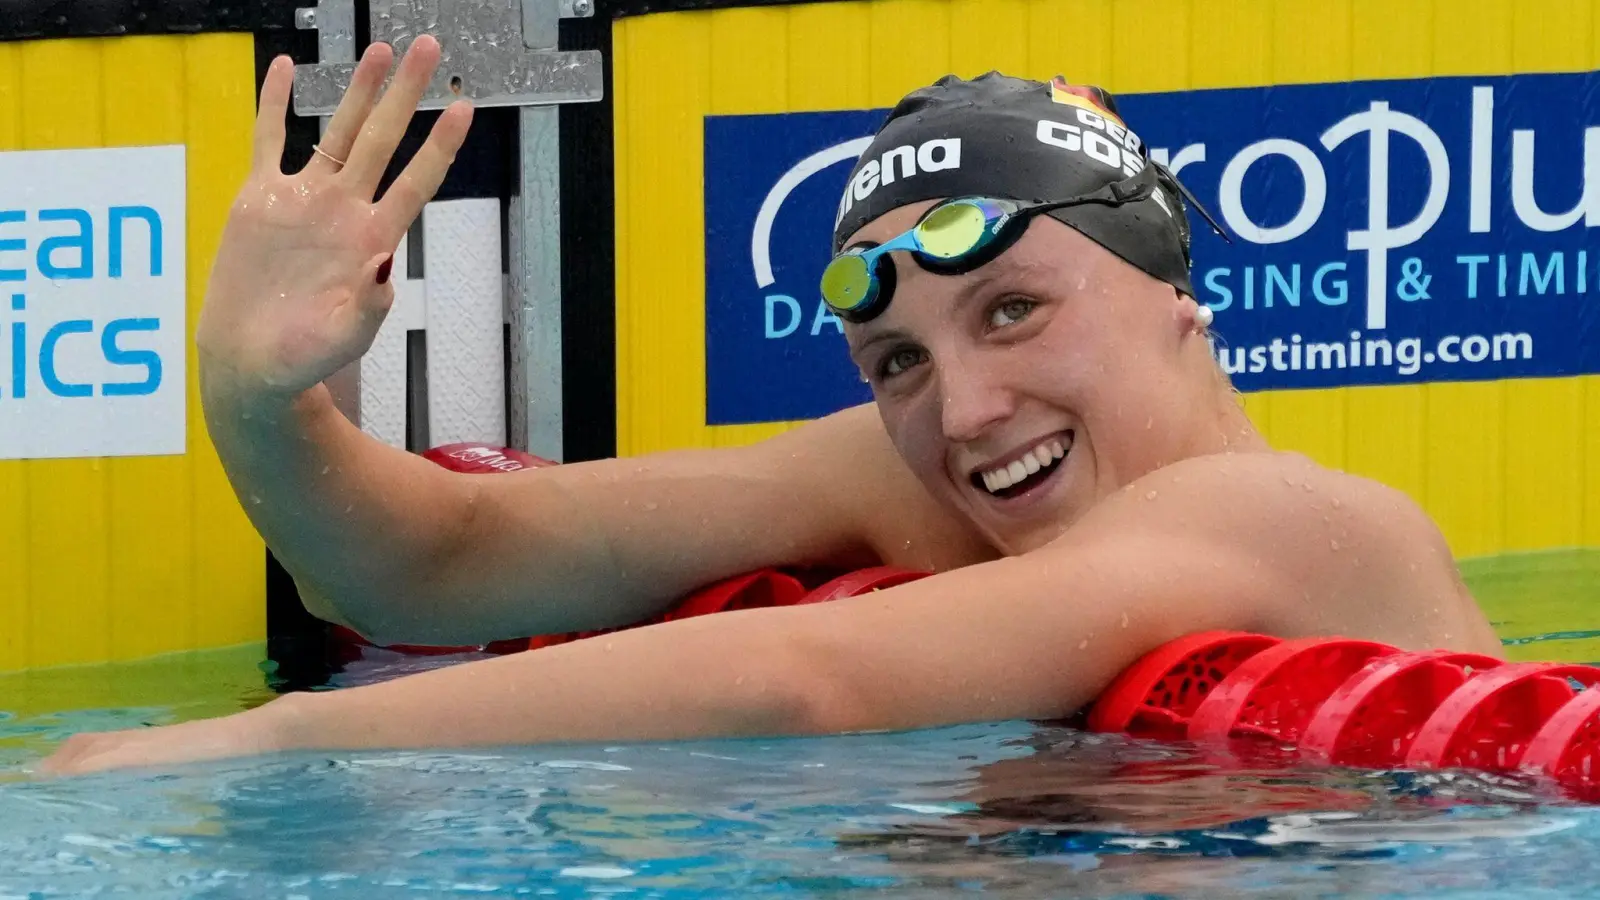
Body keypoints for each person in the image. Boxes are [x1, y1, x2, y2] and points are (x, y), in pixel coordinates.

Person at [38, 36, 1501, 776]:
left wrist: (248, 746)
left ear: (1175, 294)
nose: (969, 408)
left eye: (1013, 309)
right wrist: (251, 400)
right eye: (897, 363)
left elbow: (800, 681)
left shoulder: (1282, 516)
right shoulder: (926, 487)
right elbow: (436, 564)